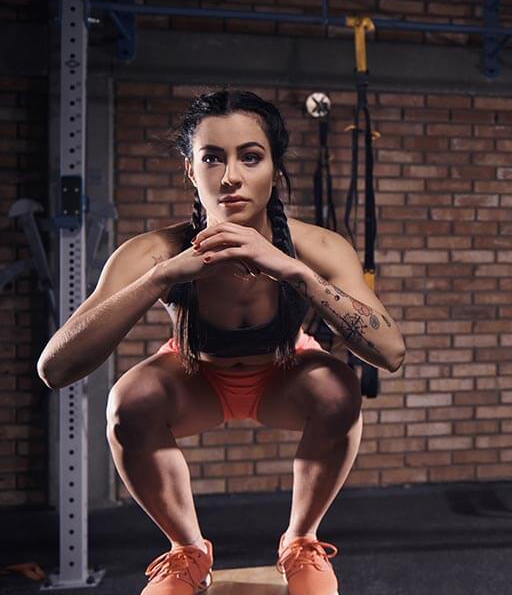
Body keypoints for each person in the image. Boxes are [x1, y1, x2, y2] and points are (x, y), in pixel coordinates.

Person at [37, 90, 406, 595]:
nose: (230, 176)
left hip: (284, 377)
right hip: (195, 380)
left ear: (274, 170)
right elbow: (54, 368)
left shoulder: (317, 247)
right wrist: (157, 279)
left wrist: (297, 274)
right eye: (212, 157)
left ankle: (301, 541)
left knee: (338, 389)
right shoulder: (153, 252)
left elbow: (391, 353)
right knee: (128, 399)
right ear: (192, 171)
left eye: (250, 157)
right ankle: (187, 552)